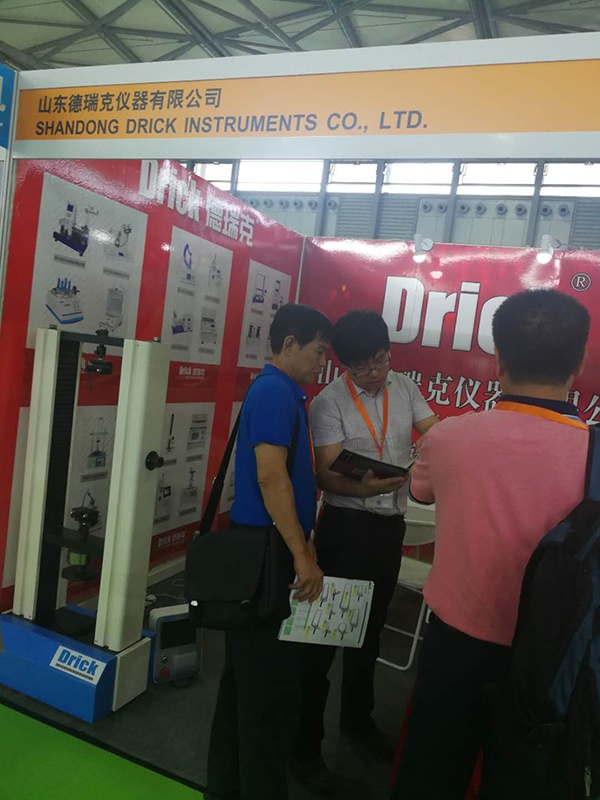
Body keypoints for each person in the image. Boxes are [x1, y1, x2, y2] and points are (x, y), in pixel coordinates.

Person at [391, 288, 591, 800]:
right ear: (579, 363)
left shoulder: (448, 437)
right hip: (552, 658)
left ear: (498, 359)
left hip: (454, 649)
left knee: (429, 778)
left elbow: (420, 493)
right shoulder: (594, 453)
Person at [293, 309, 438, 794]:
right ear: (344, 365)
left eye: (380, 360)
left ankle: (358, 722)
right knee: (322, 640)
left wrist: (438, 445)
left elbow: (433, 429)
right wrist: (367, 488)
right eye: (362, 367)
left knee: (370, 634)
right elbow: (326, 473)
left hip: (387, 530)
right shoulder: (328, 403)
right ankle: (305, 749)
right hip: (346, 529)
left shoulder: (406, 387)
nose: (374, 372)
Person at [205, 303, 333, 800]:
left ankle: (227, 787)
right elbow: (271, 477)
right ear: (290, 344)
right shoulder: (276, 392)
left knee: (243, 686)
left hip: (268, 546)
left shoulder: (280, 392)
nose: (321, 361)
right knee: (268, 694)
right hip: (267, 554)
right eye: (318, 350)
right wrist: (301, 554)